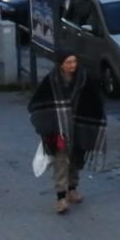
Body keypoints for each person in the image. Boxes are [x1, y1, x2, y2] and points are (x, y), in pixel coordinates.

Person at [27, 51, 106, 214]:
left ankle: (72, 189)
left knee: (76, 160)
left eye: (74, 62)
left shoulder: (83, 79)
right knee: (61, 162)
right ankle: (61, 197)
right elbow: (38, 102)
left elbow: (94, 100)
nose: (72, 65)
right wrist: (48, 122)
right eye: (69, 62)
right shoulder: (51, 80)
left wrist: (95, 119)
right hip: (59, 130)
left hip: (79, 127)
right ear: (61, 64)